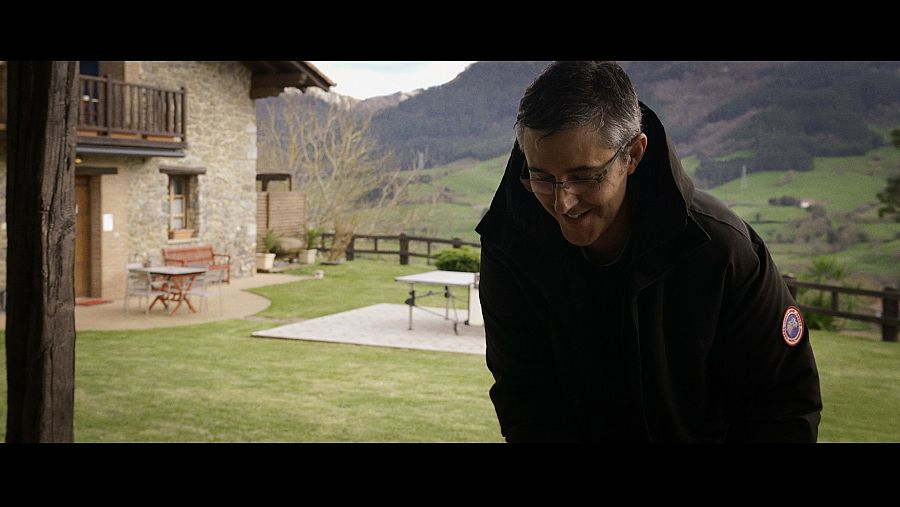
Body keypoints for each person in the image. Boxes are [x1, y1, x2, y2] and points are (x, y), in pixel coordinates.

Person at [476, 61, 822, 442]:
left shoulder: (722, 250)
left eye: (584, 176)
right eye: (542, 177)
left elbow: (784, 406)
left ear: (634, 154)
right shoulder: (510, 247)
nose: (564, 202)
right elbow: (524, 399)